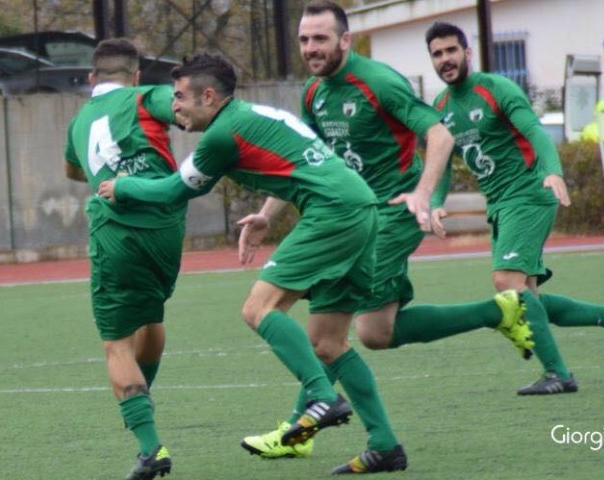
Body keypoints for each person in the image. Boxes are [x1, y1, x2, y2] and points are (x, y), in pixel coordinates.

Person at [240, 0, 534, 471]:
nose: (310, 48)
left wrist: (421, 195)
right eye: (303, 39)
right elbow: (305, 161)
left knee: (325, 338)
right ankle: (495, 312)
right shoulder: (314, 92)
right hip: (349, 219)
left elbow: (439, 134)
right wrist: (266, 214)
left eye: (320, 38)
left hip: (387, 218)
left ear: (345, 40)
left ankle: (307, 429)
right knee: (376, 332)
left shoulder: (377, 81)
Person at [97, 52, 407, 475]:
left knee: (258, 309)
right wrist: (266, 214)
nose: (175, 107)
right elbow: (299, 164)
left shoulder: (222, 133)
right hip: (359, 207)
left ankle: (320, 396)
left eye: (181, 97)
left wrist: (123, 187)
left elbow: (173, 191)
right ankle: (385, 445)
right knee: (328, 342)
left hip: (333, 212)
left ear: (208, 95)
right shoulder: (252, 116)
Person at [425, 21, 604, 396]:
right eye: (437, 54)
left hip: (527, 193)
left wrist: (553, 172)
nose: (445, 59)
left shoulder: (496, 89)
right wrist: (437, 202)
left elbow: (536, 132)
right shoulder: (440, 107)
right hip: (501, 205)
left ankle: (559, 374)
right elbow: (440, 158)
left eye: (451, 51)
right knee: (529, 299)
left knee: (506, 283)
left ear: (467, 53)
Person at [64, 38, 183, 480]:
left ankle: (150, 446)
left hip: (115, 232)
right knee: (151, 314)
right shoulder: (148, 97)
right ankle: (141, 396)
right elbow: (186, 108)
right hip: (167, 228)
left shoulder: (78, 121)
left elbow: (74, 170)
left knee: (116, 342)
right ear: (135, 76)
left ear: (92, 78)